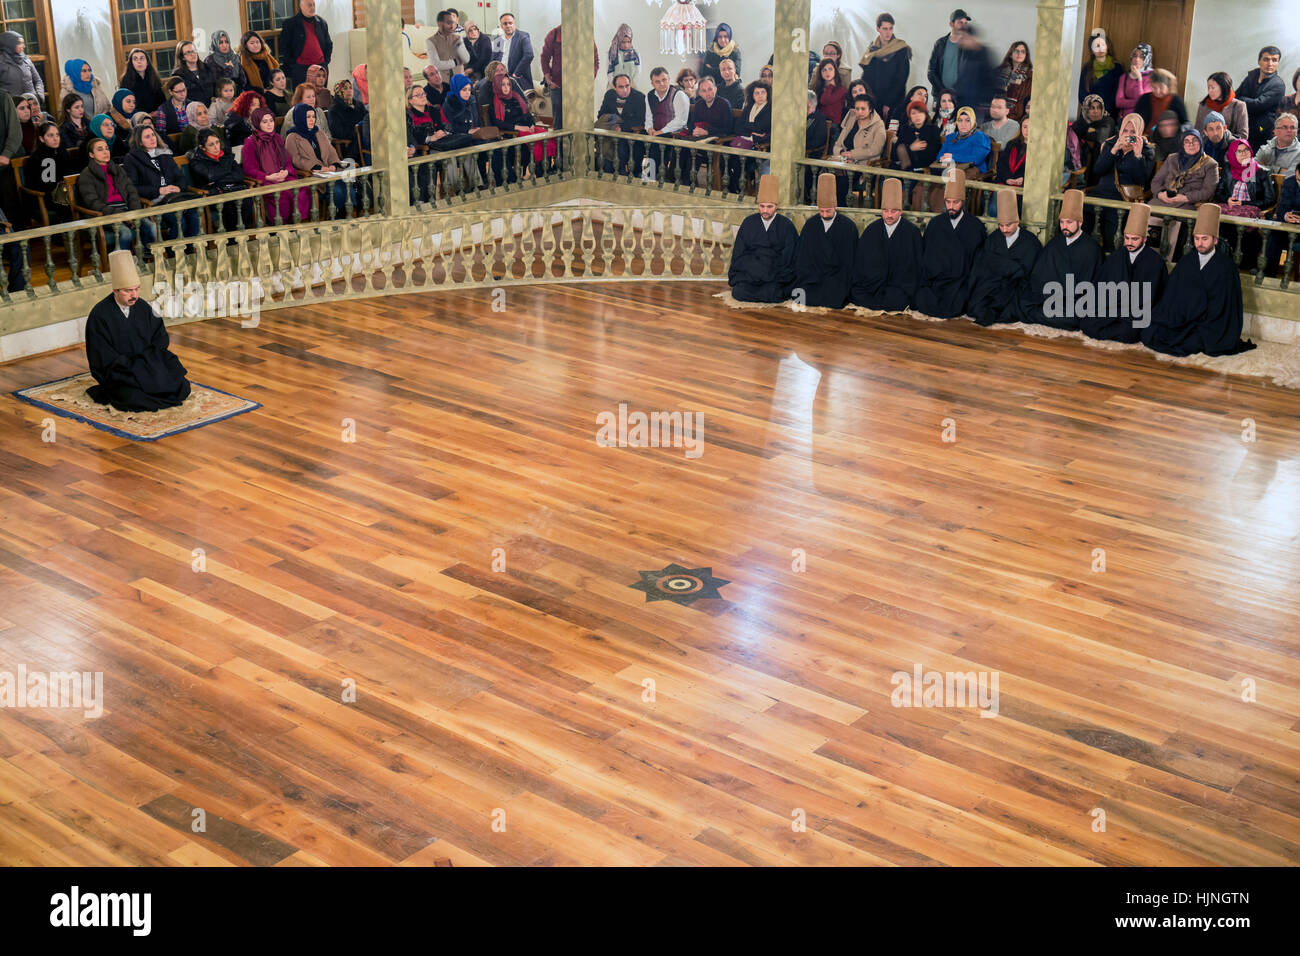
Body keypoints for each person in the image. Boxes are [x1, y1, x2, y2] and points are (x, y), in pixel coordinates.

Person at [84, 251, 190, 412]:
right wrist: (134, 367)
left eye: (136, 289)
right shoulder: (100, 315)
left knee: (182, 386)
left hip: (148, 363)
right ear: (115, 291)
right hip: (122, 370)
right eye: (127, 291)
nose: (134, 295)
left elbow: (160, 338)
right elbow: (102, 355)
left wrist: (149, 362)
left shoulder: (144, 307)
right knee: (133, 397)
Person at [1143, 204, 1251, 356]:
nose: (1200, 243)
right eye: (1197, 239)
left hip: (1209, 323)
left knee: (1192, 342)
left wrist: (1198, 314)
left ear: (1215, 240)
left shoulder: (1226, 267)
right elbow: (1172, 295)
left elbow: (1225, 307)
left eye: (1204, 239)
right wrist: (1181, 315)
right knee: (1152, 330)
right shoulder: (1187, 261)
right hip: (1182, 318)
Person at [1077, 202, 1167, 342]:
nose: (1130, 243)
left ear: (1144, 239)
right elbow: (1100, 286)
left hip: (1134, 313)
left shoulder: (1155, 262)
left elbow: (1154, 297)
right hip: (1110, 309)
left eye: (1134, 239)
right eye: (1127, 238)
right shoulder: (1117, 256)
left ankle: (1111, 332)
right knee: (1087, 323)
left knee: (1131, 333)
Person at [1016, 188, 1101, 328]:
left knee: (1074, 317)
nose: (1064, 227)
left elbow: (1090, 286)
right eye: (1062, 222)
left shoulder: (1092, 249)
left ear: (1080, 222)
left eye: (1069, 222)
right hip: (1049, 298)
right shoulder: (1054, 243)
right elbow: (1039, 275)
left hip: (1072, 302)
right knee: (1023, 303)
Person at [914, 168, 987, 318]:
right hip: (936, 281)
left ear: (963, 201)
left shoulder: (975, 227)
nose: (951, 207)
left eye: (956, 202)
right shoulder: (935, 224)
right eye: (948, 202)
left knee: (959, 303)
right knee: (921, 297)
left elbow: (978, 264)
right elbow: (926, 257)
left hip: (960, 283)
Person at [968, 187, 1042, 325]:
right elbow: (984, 266)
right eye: (1001, 225)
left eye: (1008, 225)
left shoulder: (1031, 242)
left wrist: (1010, 269)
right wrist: (1010, 267)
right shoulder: (993, 238)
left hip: (1017, 287)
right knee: (976, 306)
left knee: (1015, 308)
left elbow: (1031, 273)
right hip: (993, 285)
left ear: (1017, 221)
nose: (1004, 230)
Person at [849, 177, 923, 311]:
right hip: (872, 284)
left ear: (900, 211)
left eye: (893, 211)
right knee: (857, 293)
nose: (889, 215)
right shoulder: (871, 230)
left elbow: (916, 268)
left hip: (899, 286)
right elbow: (860, 263)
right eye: (885, 211)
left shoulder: (912, 232)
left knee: (899, 299)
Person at [1089, 112, 1155, 249]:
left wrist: (1137, 155)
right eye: (1125, 130)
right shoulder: (1111, 143)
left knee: (1112, 222)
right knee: (1084, 212)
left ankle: (1109, 254)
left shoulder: (1146, 149)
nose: (1128, 135)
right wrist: (1114, 150)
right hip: (1102, 192)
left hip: (1123, 197)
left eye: (1133, 131)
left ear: (1139, 132)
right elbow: (1098, 171)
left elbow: (1142, 180)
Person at [728, 173, 797, 302]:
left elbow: (789, 258)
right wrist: (755, 270)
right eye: (762, 206)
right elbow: (739, 254)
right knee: (739, 292)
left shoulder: (786, 225)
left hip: (774, 274)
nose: (765, 210)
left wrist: (769, 271)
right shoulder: (748, 222)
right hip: (751, 274)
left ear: (777, 206)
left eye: (769, 207)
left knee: (774, 293)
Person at [123, 124, 200, 239]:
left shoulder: (164, 153)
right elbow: (134, 188)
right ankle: (173, 253)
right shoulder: (132, 159)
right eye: (147, 137)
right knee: (179, 221)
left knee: (194, 217)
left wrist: (178, 187)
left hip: (175, 197)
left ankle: (189, 253)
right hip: (155, 202)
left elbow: (181, 178)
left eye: (153, 135)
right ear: (139, 142)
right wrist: (159, 190)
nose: (153, 138)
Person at [793, 173, 857, 308]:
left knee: (834, 298)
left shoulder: (848, 227)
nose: (824, 215)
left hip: (836, 278)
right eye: (821, 211)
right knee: (803, 296)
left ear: (835, 206)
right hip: (813, 277)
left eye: (828, 211)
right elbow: (802, 257)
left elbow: (849, 262)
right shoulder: (811, 224)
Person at [243, 107, 309, 225]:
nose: (269, 124)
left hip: (282, 176)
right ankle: (282, 226)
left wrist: (286, 172)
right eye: (265, 122)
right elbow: (249, 169)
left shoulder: (277, 138)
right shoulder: (250, 142)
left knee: (301, 188)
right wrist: (268, 177)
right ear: (257, 123)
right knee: (283, 193)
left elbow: (288, 162)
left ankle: (298, 223)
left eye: (271, 120)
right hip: (265, 180)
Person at [76, 137, 144, 252]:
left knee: (150, 226)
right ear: (92, 155)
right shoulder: (86, 174)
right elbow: (93, 203)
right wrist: (122, 216)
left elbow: (131, 191)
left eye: (107, 148)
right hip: (104, 214)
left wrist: (134, 212)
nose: (105, 152)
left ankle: (145, 259)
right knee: (125, 232)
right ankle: (122, 266)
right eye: (100, 149)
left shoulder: (117, 169)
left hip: (126, 209)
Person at [188, 127, 253, 229]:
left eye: (217, 142)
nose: (216, 147)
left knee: (246, 199)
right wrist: (227, 170)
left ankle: (245, 233)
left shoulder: (226, 154)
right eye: (211, 144)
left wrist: (217, 179)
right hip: (214, 193)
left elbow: (239, 175)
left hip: (233, 188)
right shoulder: (196, 160)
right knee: (230, 203)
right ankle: (232, 237)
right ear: (202, 147)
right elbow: (210, 176)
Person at [540, 24, 599, 131]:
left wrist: (588, 81)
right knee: (559, 123)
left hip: (580, 87)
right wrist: (548, 81)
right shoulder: (554, 34)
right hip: (558, 87)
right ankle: (560, 148)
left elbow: (595, 61)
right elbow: (544, 58)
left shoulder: (586, 35)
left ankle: (580, 147)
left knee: (581, 121)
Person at [831, 94, 885, 205]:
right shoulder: (851, 120)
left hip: (864, 166)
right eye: (857, 108)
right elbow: (838, 144)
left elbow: (875, 149)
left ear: (870, 109)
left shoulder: (878, 125)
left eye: (863, 109)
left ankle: (842, 212)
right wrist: (842, 153)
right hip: (844, 161)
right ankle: (829, 208)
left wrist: (852, 155)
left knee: (841, 180)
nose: (859, 112)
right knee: (826, 176)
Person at [859, 14, 911, 124]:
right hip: (874, 99)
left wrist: (888, 102)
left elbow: (901, 78)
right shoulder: (873, 48)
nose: (888, 32)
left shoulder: (900, 48)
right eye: (885, 29)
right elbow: (867, 75)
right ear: (878, 29)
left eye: (890, 28)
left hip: (893, 100)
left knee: (889, 133)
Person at [487, 72, 533, 186]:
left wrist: (531, 124)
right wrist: (517, 127)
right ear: (497, 85)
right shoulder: (495, 102)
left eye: (508, 84)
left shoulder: (516, 97)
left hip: (525, 131)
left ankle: (542, 172)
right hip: (510, 135)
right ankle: (514, 179)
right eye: (503, 84)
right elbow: (499, 123)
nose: (507, 87)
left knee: (542, 138)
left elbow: (527, 115)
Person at [644, 67, 689, 181]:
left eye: (664, 79)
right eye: (657, 81)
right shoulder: (649, 96)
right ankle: (649, 178)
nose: (662, 83)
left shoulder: (678, 94)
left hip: (676, 132)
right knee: (649, 142)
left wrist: (660, 132)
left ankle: (654, 177)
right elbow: (648, 117)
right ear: (652, 83)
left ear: (669, 79)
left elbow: (681, 121)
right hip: (657, 133)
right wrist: (649, 128)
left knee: (655, 145)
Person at [597, 72, 646, 175]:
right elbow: (601, 115)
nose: (625, 90)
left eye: (627, 86)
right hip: (611, 134)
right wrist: (614, 124)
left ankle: (622, 175)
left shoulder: (639, 97)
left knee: (620, 148)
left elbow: (640, 120)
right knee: (606, 149)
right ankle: (608, 176)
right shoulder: (610, 95)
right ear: (614, 87)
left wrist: (621, 127)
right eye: (621, 87)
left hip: (630, 135)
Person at [1237, 46, 1284, 151]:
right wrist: (1243, 100)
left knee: (1253, 165)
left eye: (1274, 60)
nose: (1270, 64)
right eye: (1266, 59)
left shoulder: (1278, 85)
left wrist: (1242, 99)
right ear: (1259, 61)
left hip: (1261, 133)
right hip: (1243, 127)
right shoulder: (1251, 76)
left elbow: (1258, 105)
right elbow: (1236, 96)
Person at [728, 79, 770, 192]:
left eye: (763, 92)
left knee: (738, 160)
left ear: (768, 94)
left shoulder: (771, 109)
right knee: (727, 158)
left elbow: (771, 133)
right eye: (757, 93)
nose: (760, 96)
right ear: (752, 95)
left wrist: (753, 135)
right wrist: (751, 132)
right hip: (743, 143)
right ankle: (734, 188)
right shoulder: (748, 107)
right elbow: (737, 127)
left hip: (760, 147)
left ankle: (737, 189)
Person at [1216, 138, 1275, 218]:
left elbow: (1270, 200)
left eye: (1246, 149)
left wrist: (1244, 203)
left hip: (1250, 211)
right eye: (1239, 151)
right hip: (1228, 208)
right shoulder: (1227, 170)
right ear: (1233, 155)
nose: (1244, 153)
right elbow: (1218, 193)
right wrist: (1227, 199)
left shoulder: (1262, 173)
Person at [281, 0, 333, 87]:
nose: (312, 7)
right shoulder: (290, 24)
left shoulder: (321, 22)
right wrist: (293, 65)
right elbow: (284, 47)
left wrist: (326, 61)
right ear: (301, 7)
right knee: (303, 97)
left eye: (313, 5)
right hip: (300, 68)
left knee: (322, 96)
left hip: (320, 67)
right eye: (309, 5)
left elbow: (329, 44)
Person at [1263, 165, 1300, 278]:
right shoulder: (1290, 182)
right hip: (1289, 227)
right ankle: (1268, 276)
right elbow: (1281, 209)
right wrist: (1286, 216)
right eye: (1299, 180)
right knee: (1274, 235)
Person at [927, 9, 970, 99]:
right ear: (951, 24)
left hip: (961, 96)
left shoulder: (969, 46)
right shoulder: (940, 43)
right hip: (940, 94)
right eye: (960, 22)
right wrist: (943, 90)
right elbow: (931, 71)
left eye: (965, 23)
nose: (963, 26)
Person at [1078, 28, 1122, 116]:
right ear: (1092, 50)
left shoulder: (1116, 67)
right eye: (1097, 46)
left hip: (1108, 113)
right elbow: (1082, 92)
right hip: (1088, 113)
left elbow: (1117, 94)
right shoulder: (1087, 68)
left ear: (1107, 46)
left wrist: (1102, 109)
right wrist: (1091, 109)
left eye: (1103, 44)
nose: (1100, 48)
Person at [1195, 72, 1248, 140]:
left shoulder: (1239, 106)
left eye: (1213, 88)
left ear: (1223, 88)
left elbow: (1243, 136)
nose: (1210, 91)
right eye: (1208, 88)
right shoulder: (1204, 105)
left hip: (1229, 147)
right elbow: (1197, 132)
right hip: (1206, 148)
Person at [939, 105, 992, 173]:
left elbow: (977, 159)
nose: (963, 124)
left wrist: (953, 157)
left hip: (972, 172)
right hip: (950, 169)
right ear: (957, 122)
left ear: (973, 121)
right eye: (960, 120)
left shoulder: (980, 137)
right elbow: (939, 156)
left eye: (967, 120)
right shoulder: (950, 137)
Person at [1135, 69, 1187, 133]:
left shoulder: (1176, 101)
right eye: (1154, 87)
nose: (1157, 91)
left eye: (1161, 87)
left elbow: (1185, 123)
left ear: (1168, 86)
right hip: (1144, 137)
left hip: (1168, 140)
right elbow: (1135, 118)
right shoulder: (1145, 98)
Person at [493, 13, 535, 90]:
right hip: (499, 75)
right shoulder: (498, 40)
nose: (508, 25)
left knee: (502, 89)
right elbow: (493, 58)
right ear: (501, 26)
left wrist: (516, 73)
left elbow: (529, 55)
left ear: (514, 24)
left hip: (515, 77)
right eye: (505, 24)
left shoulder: (523, 37)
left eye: (510, 23)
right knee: (481, 86)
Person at [328, 79, 366, 161]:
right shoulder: (334, 109)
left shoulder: (359, 105)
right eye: (345, 88)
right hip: (347, 146)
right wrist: (357, 131)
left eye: (350, 88)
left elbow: (367, 120)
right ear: (339, 91)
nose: (349, 90)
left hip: (362, 139)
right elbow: (337, 132)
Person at [427, 9, 470, 78]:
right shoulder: (431, 41)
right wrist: (455, 62)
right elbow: (436, 65)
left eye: (452, 23)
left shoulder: (457, 38)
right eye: (448, 23)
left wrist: (459, 45)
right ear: (439, 24)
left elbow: (466, 59)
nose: (452, 26)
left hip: (459, 80)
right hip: (443, 81)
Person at [0, 31, 41, 104]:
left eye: (23, 43)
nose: (23, 46)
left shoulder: (26, 59)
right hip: (12, 108)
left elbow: (38, 80)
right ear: (9, 44)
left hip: (32, 105)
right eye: (19, 43)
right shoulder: (1, 62)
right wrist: (6, 103)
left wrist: (38, 97)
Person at [119, 49, 164, 115]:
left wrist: (158, 111)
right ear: (131, 63)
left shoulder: (154, 77)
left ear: (147, 62)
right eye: (135, 59)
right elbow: (125, 105)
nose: (139, 61)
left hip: (156, 115)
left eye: (142, 58)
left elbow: (161, 99)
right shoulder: (125, 80)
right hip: (136, 117)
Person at [172, 39, 214, 107]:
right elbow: (180, 98)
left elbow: (215, 87)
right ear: (182, 57)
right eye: (188, 52)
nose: (193, 54)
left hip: (211, 107)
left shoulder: (207, 67)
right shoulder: (178, 74)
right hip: (192, 109)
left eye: (194, 51)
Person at [205, 30, 248, 97]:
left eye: (226, 42)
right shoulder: (210, 60)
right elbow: (215, 83)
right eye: (220, 43)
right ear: (215, 43)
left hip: (239, 95)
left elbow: (243, 81)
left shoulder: (235, 57)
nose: (224, 45)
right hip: (222, 98)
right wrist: (229, 69)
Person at [1115, 44, 1152, 118]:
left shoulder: (1150, 77)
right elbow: (1118, 102)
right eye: (1135, 56)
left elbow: (1143, 102)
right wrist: (1136, 102)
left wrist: (1139, 79)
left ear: (1147, 59)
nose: (1137, 59)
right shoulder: (1124, 77)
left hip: (1141, 119)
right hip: (1125, 119)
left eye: (1142, 57)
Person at [812, 58, 849, 127]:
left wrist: (830, 86)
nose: (827, 72)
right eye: (824, 70)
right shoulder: (818, 87)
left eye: (830, 69)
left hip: (832, 125)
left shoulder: (841, 89)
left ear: (835, 71)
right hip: (819, 122)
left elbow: (824, 100)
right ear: (820, 73)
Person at [607, 23, 640, 88]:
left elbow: (638, 73)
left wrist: (628, 88)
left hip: (631, 89)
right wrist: (617, 88)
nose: (626, 45)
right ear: (618, 40)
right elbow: (609, 74)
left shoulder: (635, 54)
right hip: (614, 89)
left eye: (628, 42)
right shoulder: (612, 54)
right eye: (623, 42)